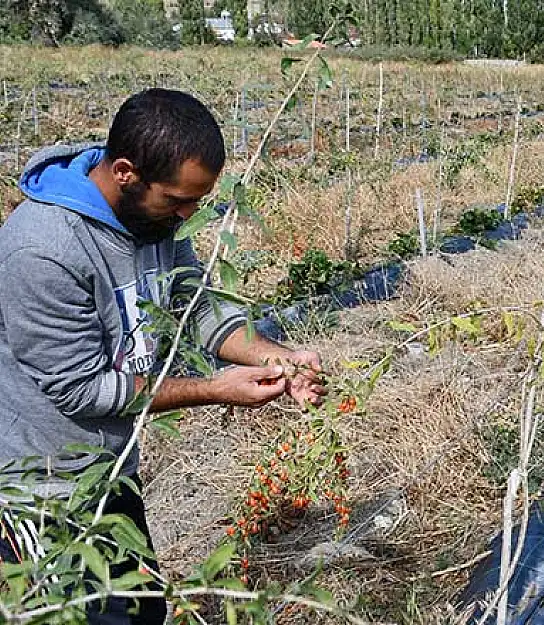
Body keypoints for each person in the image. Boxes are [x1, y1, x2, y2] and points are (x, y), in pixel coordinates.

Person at [0, 88, 327, 624]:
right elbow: (81, 389)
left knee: (141, 614)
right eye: (179, 200)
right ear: (126, 172)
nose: (188, 215)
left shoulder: (155, 220)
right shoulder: (42, 250)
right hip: (41, 497)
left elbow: (196, 307)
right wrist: (212, 389)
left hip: (109, 473)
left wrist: (278, 359)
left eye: (197, 201)